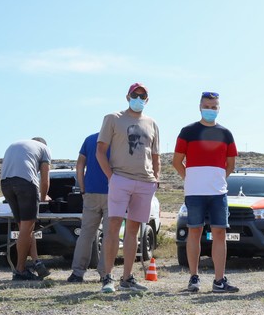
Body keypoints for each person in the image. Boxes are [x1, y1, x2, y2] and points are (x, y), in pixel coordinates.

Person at [96, 82, 161, 294]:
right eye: (135, 95)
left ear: (147, 100)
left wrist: (156, 179)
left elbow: (156, 156)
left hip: (145, 181)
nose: (139, 99)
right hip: (120, 178)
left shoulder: (152, 123)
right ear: (128, 97)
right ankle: (107, 277)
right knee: (113, 226)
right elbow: (100, 151)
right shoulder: (113, 118)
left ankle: (127, 278)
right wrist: (111, 177)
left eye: (143, 96)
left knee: (133, 230)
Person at [172, 91, 240, 293]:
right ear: (200, 107)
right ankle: (194, 278)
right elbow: (177, 162)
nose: (210, 110)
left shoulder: (226, 134)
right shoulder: (187, 131)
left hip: (218, 193)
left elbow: (230, 164)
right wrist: (190, 179)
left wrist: (217, 180)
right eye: (207, 106)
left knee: (219, 233)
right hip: (194, 193)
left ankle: (219, 281)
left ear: (219, 108)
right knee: (195, 232)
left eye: (214, 107)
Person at [0, 137, 52, 281]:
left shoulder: (18, 145)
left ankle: (36, 262)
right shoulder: (44, 149)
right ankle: (20, 270)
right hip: (25, 184)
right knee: (26, 229)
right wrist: (43, 197)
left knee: (25, 228)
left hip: (5, 184)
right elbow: (45, 180)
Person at [66, 132, 109, 284]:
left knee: (86, 234)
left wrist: (83, 189)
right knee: (109, 235)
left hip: (91, 192)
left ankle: (77, 272)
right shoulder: (118, 140)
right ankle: (105, 273)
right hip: (113, 193)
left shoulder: (90, 140)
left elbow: (80, 166)